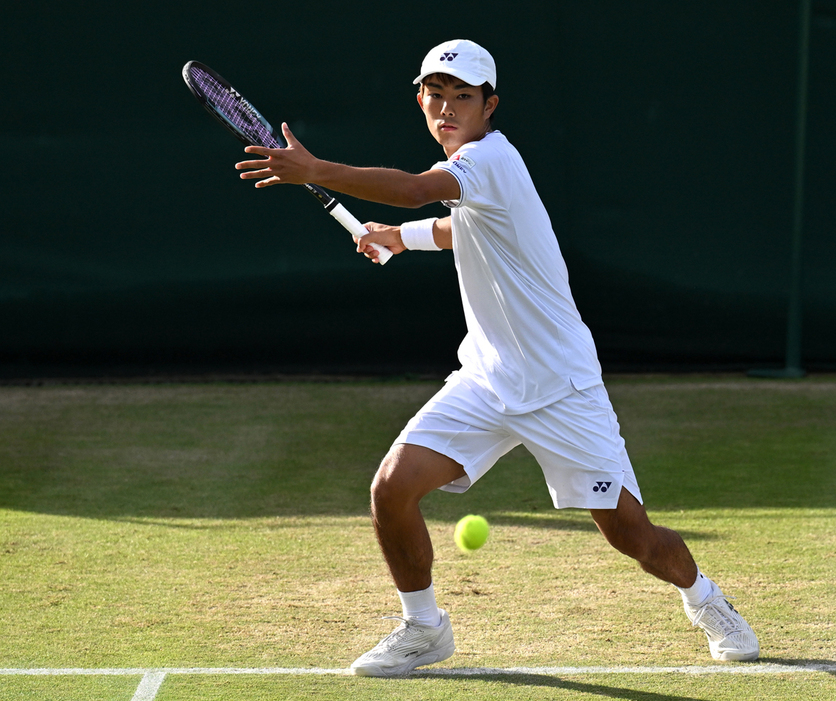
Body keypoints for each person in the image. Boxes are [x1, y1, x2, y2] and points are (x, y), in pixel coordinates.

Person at [235, 39, 759, 676]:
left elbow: (414, 190)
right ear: (420, 99)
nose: (448, 107)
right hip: (485, 380)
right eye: (437, 94)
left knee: (633, 536)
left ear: (490, 106)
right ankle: (424, 628)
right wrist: (398, 241)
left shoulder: (489, 158)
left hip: (561, 388)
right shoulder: (477, 175)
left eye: (464, 96)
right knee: (391, 490)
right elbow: (463, 226)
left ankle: (705, 599)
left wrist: (315, 171)